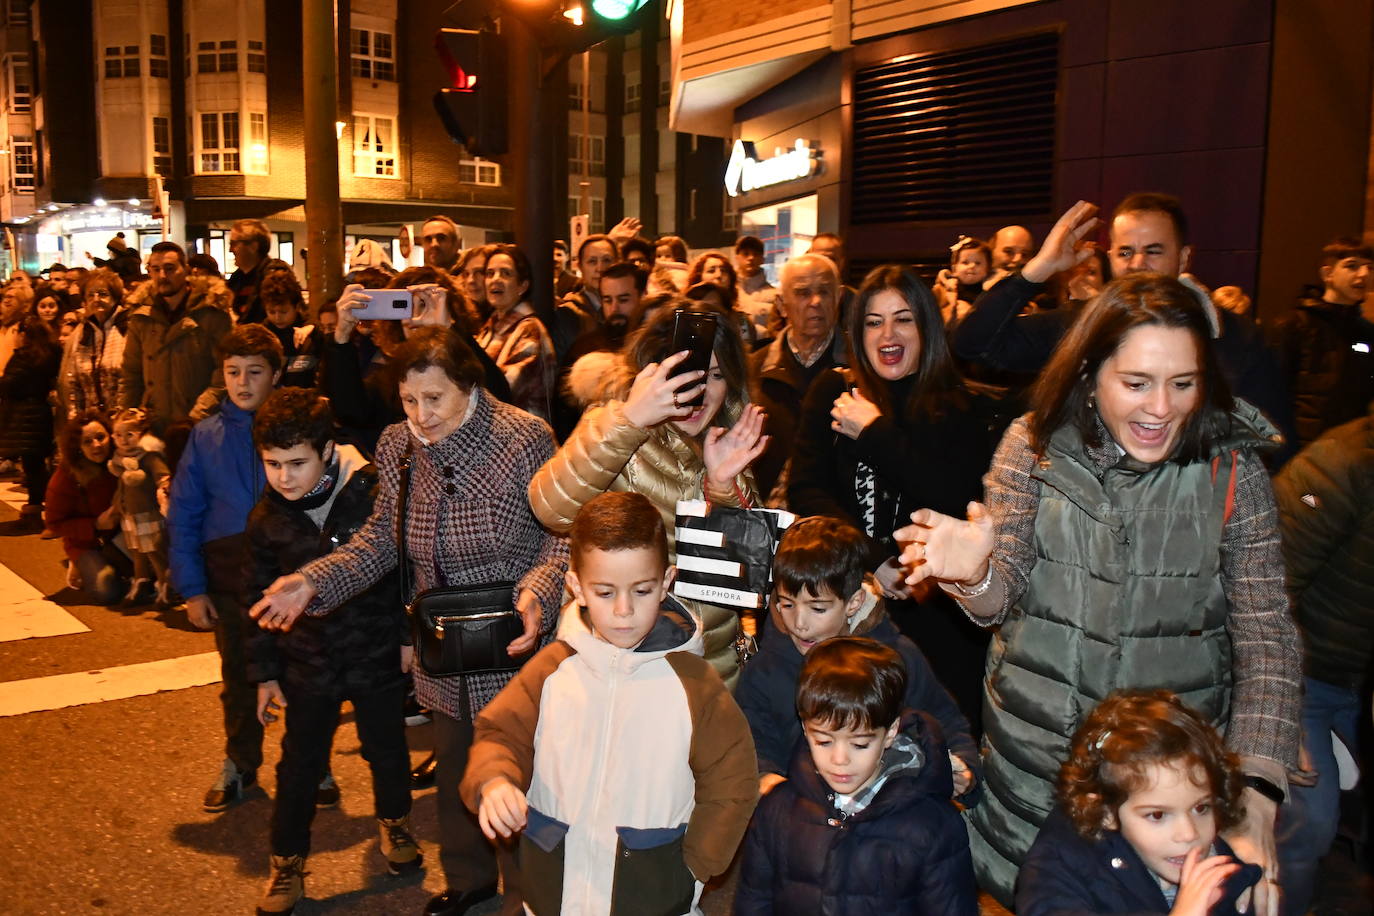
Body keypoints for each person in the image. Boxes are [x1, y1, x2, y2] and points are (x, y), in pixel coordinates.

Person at [896, 273, 1301, 909]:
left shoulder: (1232, 472)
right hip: (1041, 775)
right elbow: (1001, 601)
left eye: (1183, 383)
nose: (1161, 408)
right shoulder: (1030, 448)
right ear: (1090, 372)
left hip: (1171, 804)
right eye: (1137, 383)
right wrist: (971, 575)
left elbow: (1267, 638)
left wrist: (1255, 797)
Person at [247, 327, 569, 916]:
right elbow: (380, 542)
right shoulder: (397, 447)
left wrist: (539, 593)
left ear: (468, 386)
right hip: (443, 640)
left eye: (435, 399)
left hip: (518, 636)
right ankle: (470, 880)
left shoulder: (524, 439)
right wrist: (315, 578)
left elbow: (562, 539)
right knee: (454, 772)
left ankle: (532, 897)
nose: (421, 416)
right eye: (408, 400)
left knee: (527, 777)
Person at [462, 491, 758, 914]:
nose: (624, 611)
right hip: (554, 887)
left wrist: (696, 866)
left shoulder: (695, 686)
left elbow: (734, 779)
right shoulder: (551, 671)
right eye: (605, 592)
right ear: (576, 587)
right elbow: (499, 735)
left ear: (666, 582)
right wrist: (494, 781)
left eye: (641, 590)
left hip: (651, 892)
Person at [788, 266, 1011, 731]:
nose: (887, 333)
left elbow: (953, 499)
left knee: (937, 744)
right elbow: (806, 492)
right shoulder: (834, 391)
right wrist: (875, 560)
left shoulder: (960, 406)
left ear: (926, 327)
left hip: (940, 616)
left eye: (903, 319)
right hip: (852, 605)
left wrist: (874, 434)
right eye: (873, 321)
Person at [528, 301, 767, 688]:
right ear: (656, 373)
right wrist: (630, 421)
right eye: (688, 373)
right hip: (615, 664)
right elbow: (549, 509)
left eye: (718, 376)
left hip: (708, 669)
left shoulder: (731, 440)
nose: (701, 391)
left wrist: (722, 490)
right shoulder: (614, 423)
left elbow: (743, 585)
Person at [243, 389, 419, 915]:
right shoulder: (265, 520)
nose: (283, 477)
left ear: (327, 449)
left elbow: (403, 570)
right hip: (307, 663)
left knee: (387, 751)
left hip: (375, 652)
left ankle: (395, 825)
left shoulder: (372, 493)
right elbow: (254, 602)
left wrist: (408, 638)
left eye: (296, 463)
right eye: (272, 464)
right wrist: (264, 672)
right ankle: (286, 863)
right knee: (299, 766)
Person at [952, 197, 1295, 460]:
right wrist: (1039, 269)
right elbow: (973, 343)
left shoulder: (1238, 340)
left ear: (1185, 257)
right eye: (1126, 252)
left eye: (1154, 251)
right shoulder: (1081, 326)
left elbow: (1272, 448)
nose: (1137, 264)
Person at [735, 516, 978, 798]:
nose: (799, 623)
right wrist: (766, 779)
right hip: (804, 819)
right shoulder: (765, 670)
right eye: (787, 604)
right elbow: (753, 741)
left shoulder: (897, 656)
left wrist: (963, 766)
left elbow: (944, 720)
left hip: (890, 814)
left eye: (818, 608)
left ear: (853, 603)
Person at [735, 637, 977, 916]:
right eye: (824, 741)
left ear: (890, 732)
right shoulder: (778, 810)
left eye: (860, 744)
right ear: (805, 727)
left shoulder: (932, 826)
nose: (840, 760)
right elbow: (754, 901)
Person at [167, 324, 289, 812]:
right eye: (232, 371)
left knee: (304, 672)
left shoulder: (295, 427)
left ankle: (312, 763)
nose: (242, 382)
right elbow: (184, 511)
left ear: (276, 375)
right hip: (228, 573)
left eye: (255, 372)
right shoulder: (205, 435)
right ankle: (240, 762)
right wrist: (191, 589)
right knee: (238, 675)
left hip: (288, 572)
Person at [1017, 691, 1262, 916]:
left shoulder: (1216, 865)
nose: (1189, 834)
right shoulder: (1060, 867)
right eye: (1157, 815)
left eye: (1201, 808)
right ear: (1106, 813)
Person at [1271, 405, 1374, 916]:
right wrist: (1278, 711)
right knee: (1306, 825)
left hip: (1363, 679)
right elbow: (1264, 594)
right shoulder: (1342, 465)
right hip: (1306, 674)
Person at [325, 266, 509, 454]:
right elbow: (352, 411)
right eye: (404, 306)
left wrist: (446, 334)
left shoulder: (468, 356)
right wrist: (341, 336)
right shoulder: (392, 373)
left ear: (450, 312)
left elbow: (498, 401)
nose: (414, 317)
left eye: (424, 305)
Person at [747, 252, 847, 499]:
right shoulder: (754, 369)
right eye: (803, 293)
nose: (815, 301)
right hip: (766, 512)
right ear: (781, 305)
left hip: (837, 518)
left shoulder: (859, 368)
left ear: (839, 297)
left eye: (824, 292)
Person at [1263, 236, 1373, 449]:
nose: (1363, 275)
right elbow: (1272, 394)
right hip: (1300, 454)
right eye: (1352, 266)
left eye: (1369, 268)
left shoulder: (1367, 332)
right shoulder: (1294, 326)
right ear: (1327, 273)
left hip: (1350, 454)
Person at [122, 242, 234, 434]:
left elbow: (225, 372)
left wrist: (198, 415)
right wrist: (128, 418)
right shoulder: (140, 316)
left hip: (200, 426)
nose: (162, 276)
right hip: (153, 426)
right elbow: (131, 374)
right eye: (155, 269)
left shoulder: (211, 313)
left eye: (170, 269)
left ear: (186, 270)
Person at [43, 410, 126, 603]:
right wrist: (95, 524)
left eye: (100, 437)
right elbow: (54, 523)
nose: (96, 445)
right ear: (78, 447)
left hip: (123, 536)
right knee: (107, 590)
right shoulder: (67, 475)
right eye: (87, 441)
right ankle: (79, 563)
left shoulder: (121, 463)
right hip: (87, 543)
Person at [475, 244, 557, 422]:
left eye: (506, 273)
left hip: (523, 439)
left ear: (522, 286)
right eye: (490, 273)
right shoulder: (489, 328)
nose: (495, 279)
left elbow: (503, 389)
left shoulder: (529, 330)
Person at [107, 408, 172, 606]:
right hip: (130, 514)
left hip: (148, 513)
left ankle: (165, 586)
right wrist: (118, 503)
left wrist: (164, 486)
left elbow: (163, 477)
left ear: (142, 435)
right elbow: (122, 485)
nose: (123, 440)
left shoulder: (148, 458)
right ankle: (141, 582)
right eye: (118, 435)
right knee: (137, 551)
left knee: (154, 552)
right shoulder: (119, 460)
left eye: (130, 435)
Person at [0, 315, 61, 522]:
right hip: (38, 413)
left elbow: (10, 384)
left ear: (25, 334)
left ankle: (41, 504)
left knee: (33, 464)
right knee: (36, 463)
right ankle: (38, 503)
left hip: (25, 416)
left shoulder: (24, 357)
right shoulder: (48, 354)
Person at [61, 268, 127, 419]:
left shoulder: (128, 329)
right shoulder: (81, 333)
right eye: (90, 295)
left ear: (115, 297)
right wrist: (76, 421)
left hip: (124, 425)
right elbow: (73, 383)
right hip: (92, 424)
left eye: (103, 294)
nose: (96, 299)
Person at [553, 234, 619, 360]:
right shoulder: (567, 314)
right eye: (592, 261)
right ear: (580, 266)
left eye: (607, 260)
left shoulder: (628, 307)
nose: (600, 268)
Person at [259, 268, 325, 389]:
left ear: (297, 306)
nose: (277, 317)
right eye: (271, 312)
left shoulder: (311, 332)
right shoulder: (262, 335)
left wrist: (313, 329)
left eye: (283, 312)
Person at [227, 218, 278, 325]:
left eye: (234, 243)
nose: (230, 250)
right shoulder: (236, 279)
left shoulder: (274, 277)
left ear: (253, 246)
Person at [934, 236, 992, 325]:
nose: (972, 266)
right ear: (954, 268)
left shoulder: (991, 290)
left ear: (987, 269)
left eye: (978, 263)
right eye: (965, 262)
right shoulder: (944, 289)